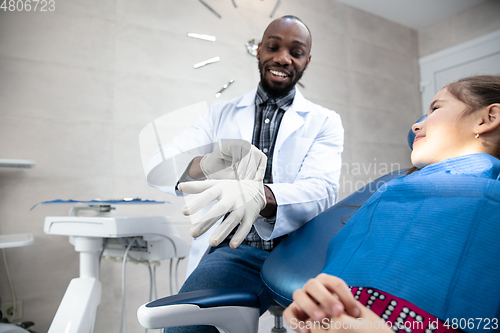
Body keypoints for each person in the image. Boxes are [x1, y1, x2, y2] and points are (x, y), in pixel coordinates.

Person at [145, 15, 344, 333]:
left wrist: (261, 194)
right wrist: (206, 163)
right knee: (183, 326)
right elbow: (159, 166)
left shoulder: (324, 121)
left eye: (295, 51)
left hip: (295, 250)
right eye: (273, 46)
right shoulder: (218, 114)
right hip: (236, 251)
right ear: (258, 51)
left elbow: (321, 190)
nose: (282, 58)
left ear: (307, 60)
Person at [283, 75, 500, 333]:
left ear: (487, 118)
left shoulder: (490, 200)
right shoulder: (393, 191)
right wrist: (317, 305)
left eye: (436, 108)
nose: (416, 125)